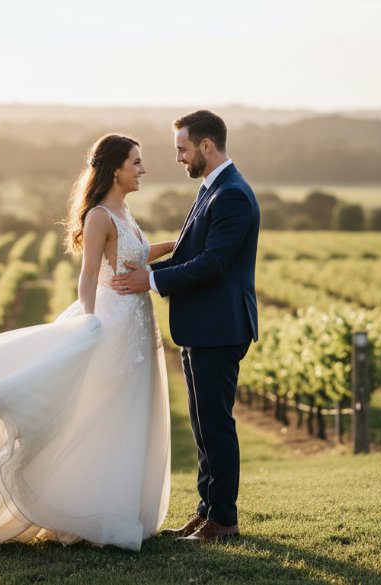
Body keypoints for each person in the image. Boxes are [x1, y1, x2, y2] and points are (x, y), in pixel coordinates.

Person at [0, 134, 175, 553]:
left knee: (128, 413)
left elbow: (137, 256)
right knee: (99, 412)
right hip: (113, 322)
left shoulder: (125, 211)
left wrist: (176, 244)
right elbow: (88, 275)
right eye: (136, 162)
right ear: (115, 170)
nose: (143, 170)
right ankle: (86, 510)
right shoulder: (100, 215)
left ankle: (118, 509)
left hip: (138, 323)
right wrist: (90, 324)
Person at [111, 110, 260, 542]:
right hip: (203, 326)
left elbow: (213, 263)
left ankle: (224, 520)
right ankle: (206, 511)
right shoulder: (212, 188)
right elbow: (190, 253)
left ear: (206, 146)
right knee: (202, 426)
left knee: (216, 426)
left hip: (220, 327)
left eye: (182, 149)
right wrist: (146, 268)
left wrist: (151, 280)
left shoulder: (232, 194)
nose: (178, 158)